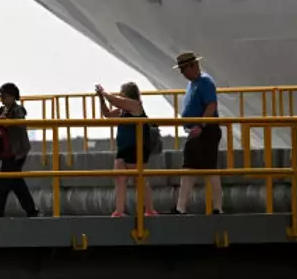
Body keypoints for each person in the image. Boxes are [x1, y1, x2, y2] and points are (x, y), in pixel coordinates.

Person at [95, 80, 160, 218]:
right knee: (120, 179)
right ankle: (119, 211)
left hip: (136, 148)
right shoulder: (122, 110)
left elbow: (115, 100)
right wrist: (101, 99)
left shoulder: (135, 105)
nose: (120, 96)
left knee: (139, 180)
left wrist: (104, 92)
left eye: (122, 94)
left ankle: (149, 210)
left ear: (128, 95)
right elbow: (107, 114)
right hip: (123, 148)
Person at [173, 51, 223, 215]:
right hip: (194, 131)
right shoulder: (192, 84)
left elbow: (211, 105)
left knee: (210, 168)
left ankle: (217, 207)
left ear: (193, 66)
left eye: (183, 69)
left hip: (205, 130)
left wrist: (201, 124)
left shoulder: (206, 82)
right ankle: (181, 207)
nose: (182, 74)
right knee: (188, 168)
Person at [0, 82, 40, 218]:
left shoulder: (18, 110)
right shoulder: (1, 110)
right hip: (5, 152)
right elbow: (0, 130)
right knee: (16, 182)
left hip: (16, 152)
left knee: (3, 181)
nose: (1, 97)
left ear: (12, 96)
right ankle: (32, 210)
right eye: (0, 95)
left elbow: (17, 124)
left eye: (4, 95)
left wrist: (4, 121)